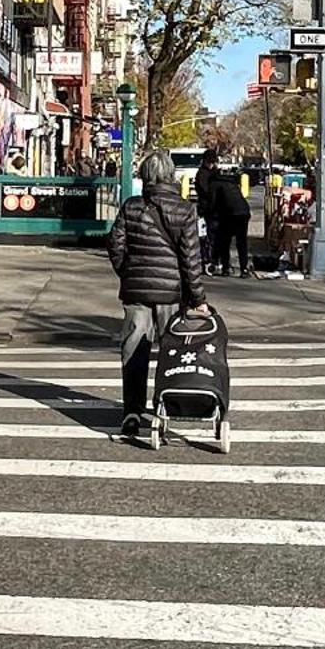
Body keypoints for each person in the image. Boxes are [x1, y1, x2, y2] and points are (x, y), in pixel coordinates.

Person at [107, 150, 208, 440]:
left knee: (134, 351)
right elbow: (191, 260)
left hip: (137, 292)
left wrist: (127, 273)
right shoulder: (185, 210)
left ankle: (132, 411)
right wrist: (198, 299)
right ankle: (162, 409)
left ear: (146, 175)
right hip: (171, 294)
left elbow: (114, 244)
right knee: (170, 354)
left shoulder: (132, 206)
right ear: (170, 175)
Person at [206, 158, 254, 277]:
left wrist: (208, 213)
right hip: (244, 212)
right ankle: (244, 269)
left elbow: (212, 203)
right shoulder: (231, 182)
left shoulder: (214, 184)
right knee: (241, 241)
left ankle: (225, 268)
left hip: (230, 214)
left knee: (224, 241)